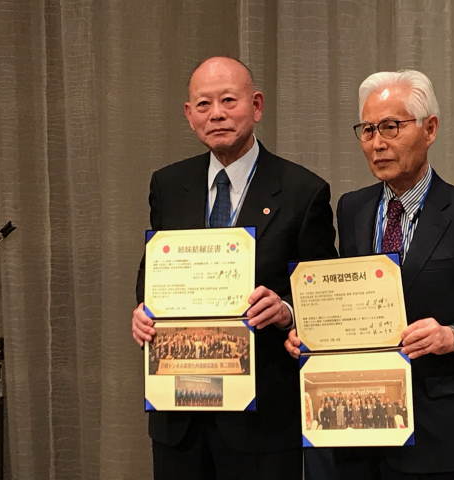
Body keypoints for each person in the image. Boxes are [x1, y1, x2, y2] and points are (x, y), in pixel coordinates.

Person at [286, 69, 454, 479]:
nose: (377, 143)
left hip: (434, 431)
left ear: (429, 129)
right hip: (356, 425)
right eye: (367, 130)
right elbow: (348, 297)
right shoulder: (352, 208)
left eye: (391, 127)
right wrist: (309, 330)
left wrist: (453, 335)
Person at [132, 56, 337, 480]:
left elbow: (323, 293)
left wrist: (286, 310)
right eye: (203, 104)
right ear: (189, 115)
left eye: (229, 100)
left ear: (256, 106)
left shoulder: (303, 191)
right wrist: (142, 312)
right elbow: (152, 272)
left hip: (262, 419)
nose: (217, 114)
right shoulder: (168, 185)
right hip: (179, 412)